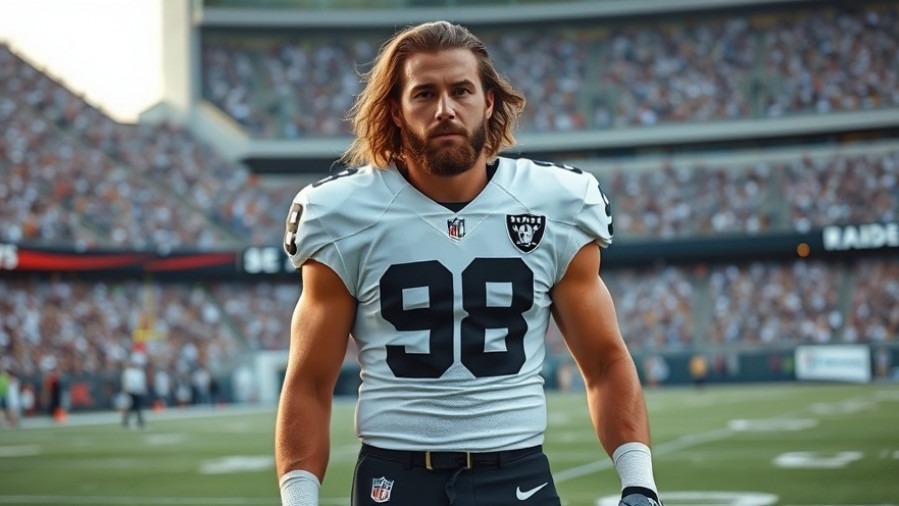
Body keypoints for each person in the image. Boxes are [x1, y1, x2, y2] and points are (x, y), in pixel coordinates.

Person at [275, 20, 662, 506]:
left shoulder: (557, 203)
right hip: (395, 478)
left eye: (461, 90)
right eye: (424, 94)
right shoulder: (340, 213)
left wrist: (639, 484)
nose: (445, 110)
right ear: (396, 111)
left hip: (516, 471)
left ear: (489, 101)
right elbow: (309, 382)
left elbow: (605, 362)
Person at [121, 358, 148, 429]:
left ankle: (137, 421)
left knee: (136, 407)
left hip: (138, 392)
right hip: (131, 392)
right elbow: (126, 383)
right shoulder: (128, 372)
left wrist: (143, 390)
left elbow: (142, 383)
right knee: (134, 407)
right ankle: (138, 421)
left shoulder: (139, 372)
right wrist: (125, 391)